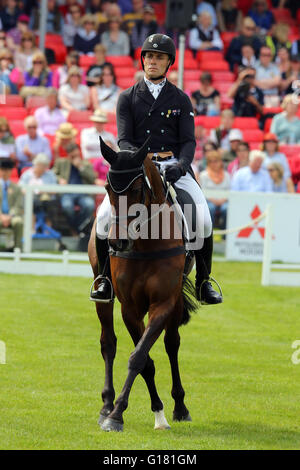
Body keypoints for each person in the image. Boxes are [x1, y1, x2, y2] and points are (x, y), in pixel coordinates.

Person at [92, 33, 223, 305]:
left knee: (203, 218)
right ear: (142, 60)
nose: (152, 61)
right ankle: (104, 279)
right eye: (149, 56)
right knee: (105, 216)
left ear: (168, 63)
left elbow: (188, 141)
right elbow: (124, 139)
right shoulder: (127, 97)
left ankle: (203, 282)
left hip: (173, 165)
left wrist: (182, 165)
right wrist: (138, 161)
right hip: (137, 167)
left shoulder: (180, 99)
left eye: (159, 57)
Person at [53, 142, 96, 234]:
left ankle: (76, 228)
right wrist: (60, 179)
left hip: (83, 193)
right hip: (67, 193)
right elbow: (53, 174)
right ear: (68, 154)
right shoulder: (61, 162)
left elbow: (92, 179)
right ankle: (78, 229)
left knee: (89, 205)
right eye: (72, 156)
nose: (75, 158)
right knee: (67, 207)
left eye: (76, 155)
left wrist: (80, 167)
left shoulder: (86, 164)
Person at [19, 152, 58, 227]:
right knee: (28, 203)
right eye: (39, 165)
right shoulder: (27, 174)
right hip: (30, 198)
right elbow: (20, 188)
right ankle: (31, 229)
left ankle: (48, 230)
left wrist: (44, 191)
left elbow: (55, 190)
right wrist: (30, 192)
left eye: (44, 166)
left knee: (51, 206)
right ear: (35, 164)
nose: (41, 167)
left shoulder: (50, 175)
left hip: (47, 199)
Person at [199, 149, 230, 230]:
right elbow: (202, 192)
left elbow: (229, 191)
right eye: (211, 161)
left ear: (220, 162)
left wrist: (222, 200)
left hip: (224, 201)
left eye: (216, 161)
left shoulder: (227, 175)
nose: (213, 164)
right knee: (210, 208)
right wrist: (214, 201)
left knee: (226, 208)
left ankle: (225, 235)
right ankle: (210, 233)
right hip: (209, 201)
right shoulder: (203, 175)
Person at [0, 158, 23, 250]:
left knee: (18, 222)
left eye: (7, 170)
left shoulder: (16, 188)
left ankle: (17, 249)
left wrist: (10, 216)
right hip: (0, 215)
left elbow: (18, 205)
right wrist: (1, 216)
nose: (5, 172)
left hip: (12, 215)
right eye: (2, 169)